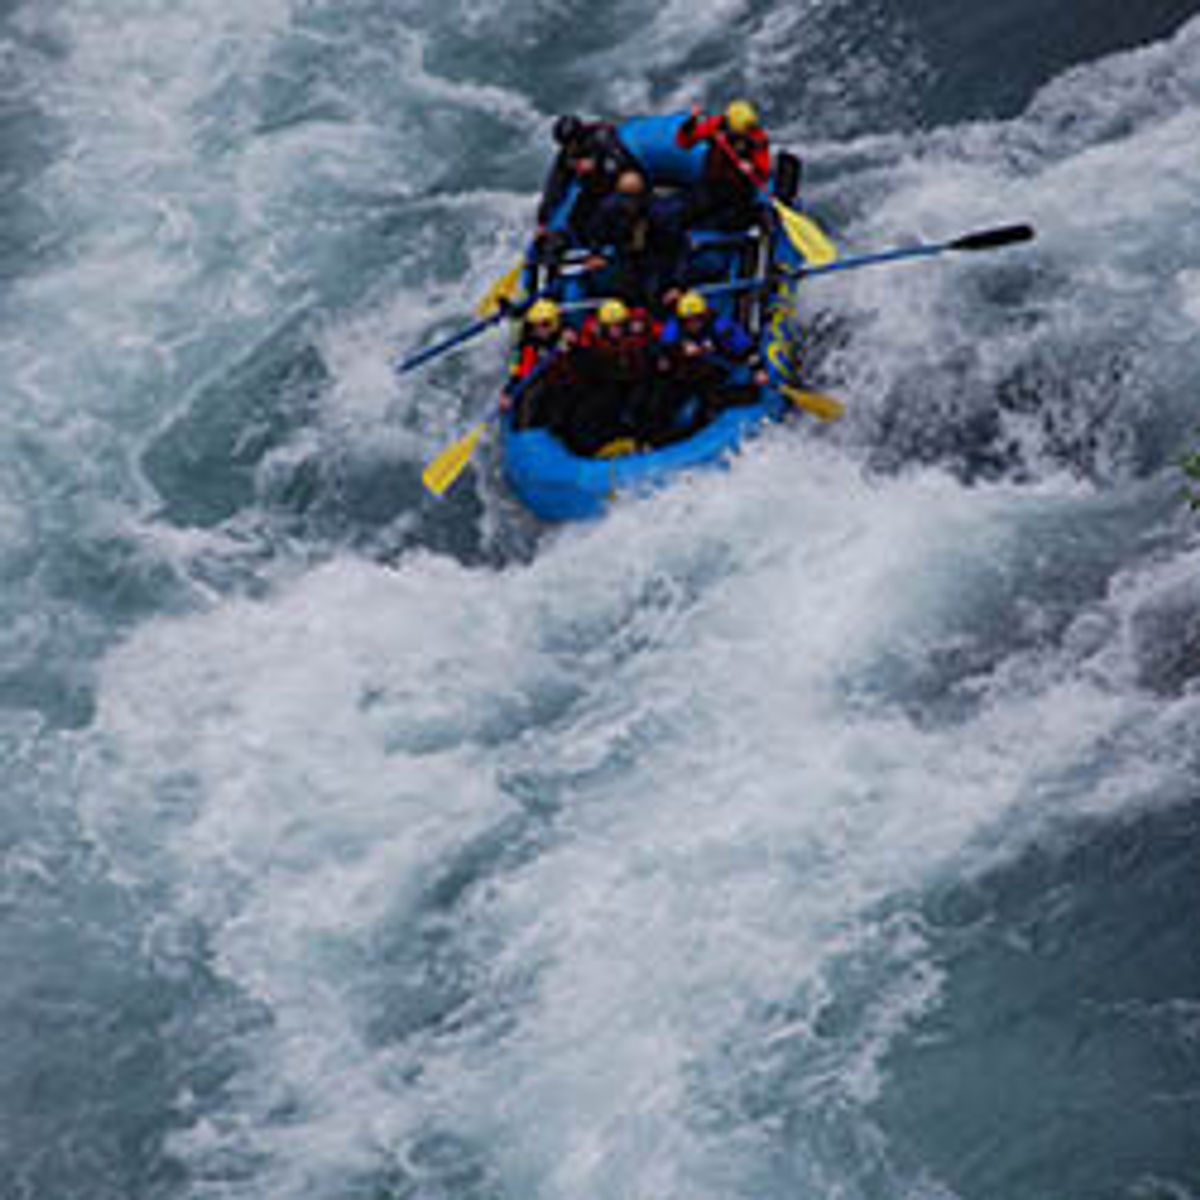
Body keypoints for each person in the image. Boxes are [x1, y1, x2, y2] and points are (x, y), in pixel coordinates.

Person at [650, 290, 767, 442]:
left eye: (697, 319)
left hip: (719, 370)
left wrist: (758, 370)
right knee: (664, 392)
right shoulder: (675, 328)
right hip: (688, 373)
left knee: (711, 392)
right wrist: (677, 352)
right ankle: (659, 435)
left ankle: (705, 424)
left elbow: (748, 350)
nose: (693, 325)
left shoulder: (721, 327)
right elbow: (663, 350)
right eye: (688, 321)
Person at [561, 298, 660, 454]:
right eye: (611, 326)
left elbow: (661, 334)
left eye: (619, 325)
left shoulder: (638, 332)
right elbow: (580, 352)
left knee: (647, 401)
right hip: (608, 384)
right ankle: (600, 444)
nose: (616, 330)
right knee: (592, 407)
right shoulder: (592, 338)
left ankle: (646, 440)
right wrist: (572, 346)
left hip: (637, 380)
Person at [581, 169, 688, 312]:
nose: (628, 203)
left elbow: (679, 249)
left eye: (633, 197)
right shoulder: (611, 208)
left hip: (656, 260)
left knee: (653, 293)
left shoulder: (661, 214)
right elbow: (595, 232)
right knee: (618, 291)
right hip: (626, 258)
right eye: (624, 197)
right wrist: (596, 253)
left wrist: (676, 284)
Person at [536, 114, 639, 253]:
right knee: (576, 220)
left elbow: (622, 161)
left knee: (610, 211)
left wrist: (597, 165)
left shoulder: (601, 138)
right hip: (595, 189)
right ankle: (596, 250)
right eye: (566, 145)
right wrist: (543, 219)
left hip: (619, 184)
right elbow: (555, 186)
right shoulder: (567, 154)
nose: (570, 148)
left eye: (571, 143)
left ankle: (628, 244)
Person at [675, 100, 771, 230]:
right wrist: (691, 122)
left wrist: (752, 168)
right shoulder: (716, 125)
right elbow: (684, 141)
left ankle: (757, 216)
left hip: (738, 189)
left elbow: (763, 172)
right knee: (689, 212)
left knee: (732, 222)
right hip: (712, 183)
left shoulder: (757, 138)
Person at [503, 299, 578, 431]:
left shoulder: (565, 332)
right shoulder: (530, 343)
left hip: (565, 379)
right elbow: (520, 371)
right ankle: (524, 429)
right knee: (532, 393)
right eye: (536, 325)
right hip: (545, 380)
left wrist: (570, 343)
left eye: (544, 325)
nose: (539, 330)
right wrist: (508, 392)